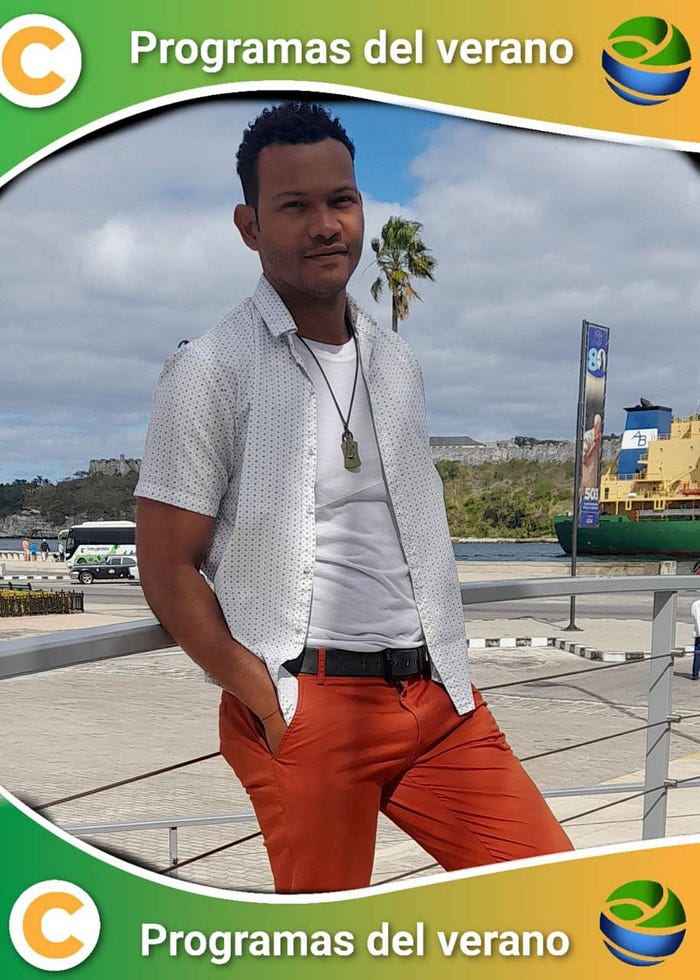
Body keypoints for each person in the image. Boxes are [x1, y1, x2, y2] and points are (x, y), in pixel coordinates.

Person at [135, 101, 571, 894]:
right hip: (310, 705)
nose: (325, 225)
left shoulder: (395, 362)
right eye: (294, 206)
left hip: (438, 701)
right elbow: (167, 566)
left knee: (554, 897)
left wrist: (447, 675)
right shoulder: (210, 370)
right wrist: (262, 696)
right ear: (249, 226)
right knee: (328, 945)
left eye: (340, 200)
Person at [692, 598, 700, 681]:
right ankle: (695, 673)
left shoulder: (696, 604)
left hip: (698, 633)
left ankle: (695, 674)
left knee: (697, 654)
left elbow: (695, 618)